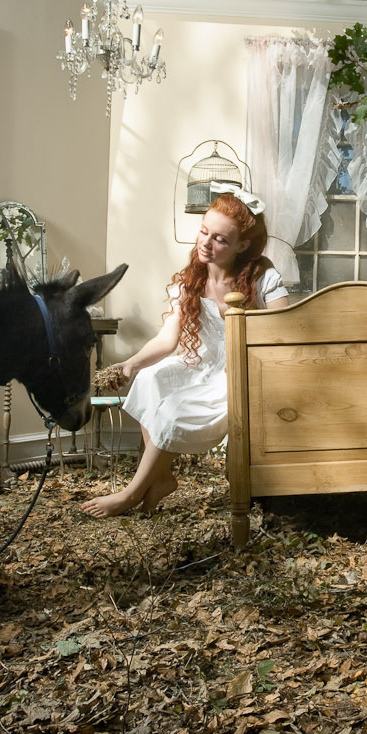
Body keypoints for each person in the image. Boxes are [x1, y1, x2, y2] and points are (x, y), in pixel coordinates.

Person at [80, 186, 289, 518]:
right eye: (204, 231)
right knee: (149, 379)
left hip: (240, 372)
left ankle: (132, 493)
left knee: (173, 408)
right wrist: (131, 365)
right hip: (204, 363)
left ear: (242, 245)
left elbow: (284, 329)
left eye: (220, 239)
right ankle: (161, 477)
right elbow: (167, 341)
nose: (206, 242)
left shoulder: (262, 277)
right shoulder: (193, 279)